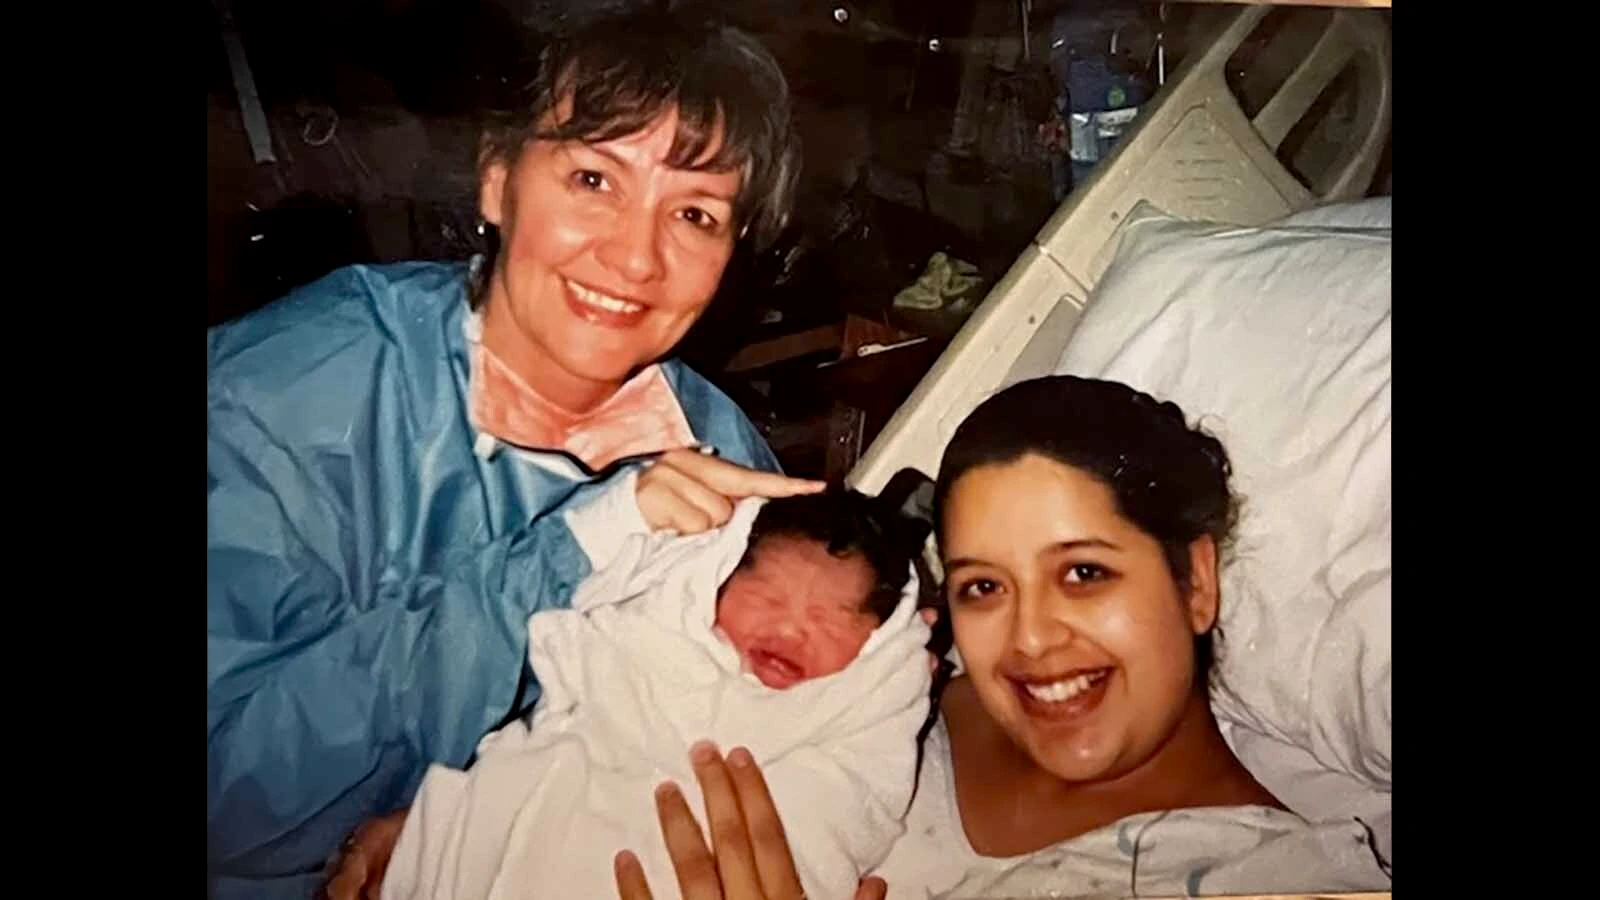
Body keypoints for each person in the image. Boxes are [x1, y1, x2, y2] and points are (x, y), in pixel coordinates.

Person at [207, 10, 816, 899]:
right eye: (592, 178)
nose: (636, 256)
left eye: (694, 212)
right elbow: (234, 800)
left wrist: (483, 826)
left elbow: (744, 755)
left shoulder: (721, 455)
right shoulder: (288, 393)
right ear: (497, 184)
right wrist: (584, 546)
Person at [607, 376, 1392, 899]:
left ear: (1196, 581)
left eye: (1084, 573)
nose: (1032, 639)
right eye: (984, 587)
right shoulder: (872, 691)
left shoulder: (1275, 878)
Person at [381, 483, 933, 900]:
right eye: (764, 598)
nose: (789, 631)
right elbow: (589, 631)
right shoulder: (661, 636)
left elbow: (841, 810)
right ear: (712, 579)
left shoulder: (857, 714)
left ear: (879, 643)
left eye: (830, 620)